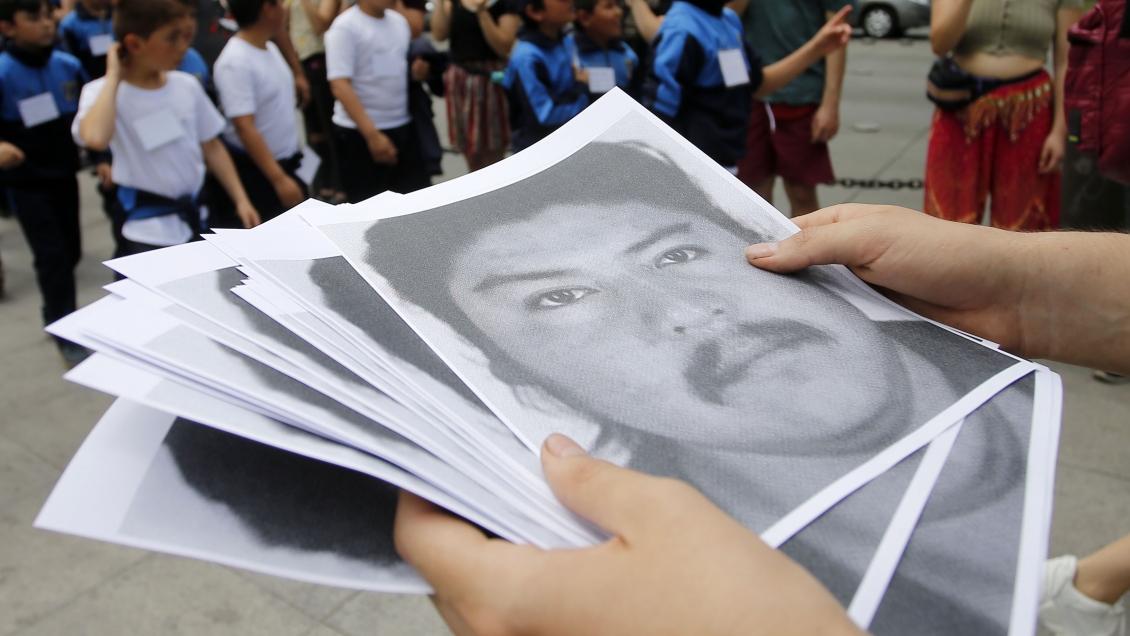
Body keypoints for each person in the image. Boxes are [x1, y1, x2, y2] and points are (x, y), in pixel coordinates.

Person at [364, 140, 1030, 633]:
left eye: (676, 254)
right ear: (519, 376)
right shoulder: (627, 583)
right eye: (559, 298)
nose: (682, 311)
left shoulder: (1023, 368)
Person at [73, 0, 259, 256]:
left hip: (198, 217)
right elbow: (94, 138)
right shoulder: (102, 93)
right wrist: (115, 75)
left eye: (185, 36)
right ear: (134, 44)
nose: (183, 47)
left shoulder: (185, 85)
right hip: (148, 229)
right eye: (171, 38)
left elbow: (212, 146)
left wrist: (241, 199)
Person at [925, 0, 1084, 230]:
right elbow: (940, 44)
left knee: (1026, 222)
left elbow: (1066, 61)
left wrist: (1059, 131)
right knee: (947, 219)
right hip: (962, 108)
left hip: (1029, 109)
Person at [640, 1, 851, 173]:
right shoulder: (682, 31)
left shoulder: (728, 20)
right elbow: (658, 113)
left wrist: (818, 48)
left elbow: (759, 85)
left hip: (726, 159)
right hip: (693, 168)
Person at [0, 0, 91, 366]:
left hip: (64, 175)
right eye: (32, 18)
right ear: (7, 28)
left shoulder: (67, 66)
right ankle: (62, 325)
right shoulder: (4, 73)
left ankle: (55, 306)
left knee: (70, 251)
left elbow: (89, 114)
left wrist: (101, 159)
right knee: (51, 255)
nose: (46, 23)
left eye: (47, 15)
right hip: (26, 182)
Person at [730, 0, 851, 217]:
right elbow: (724, 16)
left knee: (801, 191)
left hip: (801, 92)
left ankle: (803, 249)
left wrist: (830, 104)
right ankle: (761, 250)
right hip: (747, 93)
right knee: (752, 191)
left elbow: (837, 31)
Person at [324, 0, 430, 203]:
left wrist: (417, 71)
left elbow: (393, 66)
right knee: (370, 208)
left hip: (401, 125)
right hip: (360, 133)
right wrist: (372, 135)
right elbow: (339, 85)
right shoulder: (345, 27)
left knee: (414, 202)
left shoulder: (399, 22)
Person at [212, 0, 306, 223]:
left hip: (288, 162)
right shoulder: (235, 62)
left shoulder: (269, 47)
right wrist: (278, 178)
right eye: (280, 4)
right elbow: (244, 127)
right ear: (267, 9)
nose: (285, 9)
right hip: (262, 174)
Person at [430, 0, 520, 172]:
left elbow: (503, 47)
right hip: (460, 81)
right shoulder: (453, 3)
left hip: (491, 82)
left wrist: (482, 12)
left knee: (493, 155)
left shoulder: (505, 4)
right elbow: (439, 34)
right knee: (471, 155)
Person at [502, 0, 590, 152]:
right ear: (535, 12)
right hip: (539, 151)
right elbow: (545, 116)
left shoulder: (565, 40)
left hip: (568, 141)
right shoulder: (527, 58)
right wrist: (581, 89)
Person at [286, 0, 344, 203]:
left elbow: (321, 24)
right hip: (301, 65)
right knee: (314, 134)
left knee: (330, 130)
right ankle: (320, 184)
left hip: (321, 60)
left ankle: (339, 185)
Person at [569, 0, 640, 99]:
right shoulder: (569, 54)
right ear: (584, 17)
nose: (619, 12)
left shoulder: (628, 54)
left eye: (617, 5)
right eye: (609, 6)